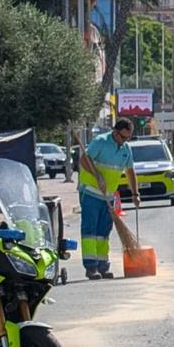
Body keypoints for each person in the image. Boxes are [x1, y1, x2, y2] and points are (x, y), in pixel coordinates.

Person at [77, 118, 140, 279]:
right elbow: (84, 160)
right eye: (123, 137)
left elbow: (130, 171)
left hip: (108, 196)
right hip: (91, 193)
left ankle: (103, 265)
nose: (125, 140)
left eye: (128, 137)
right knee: (90, 230)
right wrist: (97, 175)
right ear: (115, 132)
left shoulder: (125, 149)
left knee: (104, 231)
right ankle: (91, 267)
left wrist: (135, 194)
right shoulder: (100, 141)